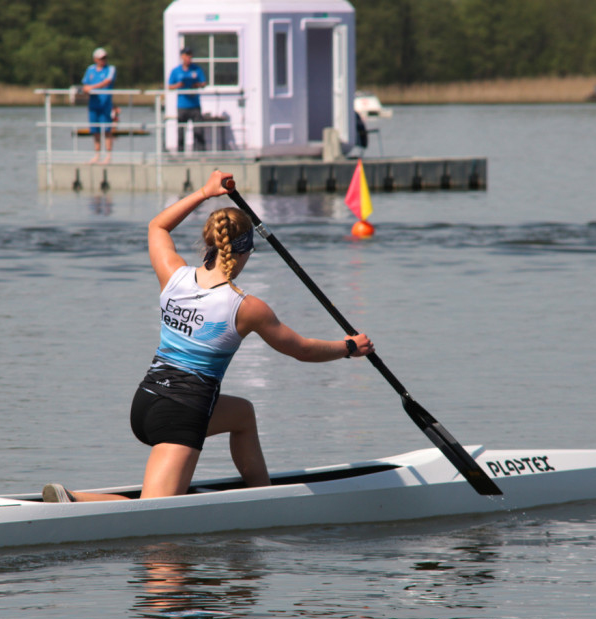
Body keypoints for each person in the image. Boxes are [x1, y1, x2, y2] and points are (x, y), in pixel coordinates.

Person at [43, 170, 373, 503]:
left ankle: (264, 500)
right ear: (243, 252)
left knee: (242, 414)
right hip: (181, 412)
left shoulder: (174, 274)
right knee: (153, 510)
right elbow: (301, 350)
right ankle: (74, 500)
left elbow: (157, 226)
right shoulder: (246, 307)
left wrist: (204, 192)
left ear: (210, 243)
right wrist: (349, 347)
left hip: (145, 402)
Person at [168, 46, 207, 152]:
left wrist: (196, 85)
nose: (188, 58)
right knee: (181, 131)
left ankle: (200, 153)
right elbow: (169, 86)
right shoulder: (176, 71)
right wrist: (178, 85)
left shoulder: (197, 69)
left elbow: (204, 83)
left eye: (190, 56)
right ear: (182, 57)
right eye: (186, 55)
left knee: (198, 130)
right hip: (182, 106)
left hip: (195, 105)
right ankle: (180, 154)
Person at [81, 47, 116, 164]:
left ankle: (108, 155)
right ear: (95, 59)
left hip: (105, 104)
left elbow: (107, 81)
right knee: (95, 130)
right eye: (101, 58)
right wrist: (87, 89)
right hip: (93, 104)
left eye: (105, 58)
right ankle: (97, 155)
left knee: (107, 130)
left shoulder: (110, 69)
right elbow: (85, 85)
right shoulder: (90, 69)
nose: (103, 60)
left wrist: (92, 87)